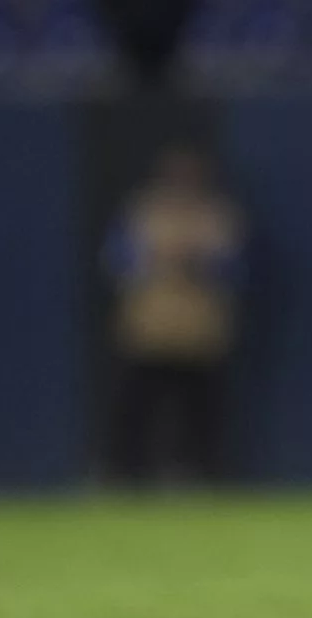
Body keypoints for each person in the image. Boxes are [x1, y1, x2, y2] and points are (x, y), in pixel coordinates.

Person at [104, 145, 246, 485]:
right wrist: (156, 260)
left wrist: (199, 261)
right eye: (175, 175)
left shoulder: (215, 215)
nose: (181, 183)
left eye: (189, 176)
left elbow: (236, 269)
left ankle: (201, 476)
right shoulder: (143, 211)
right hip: (150, 326)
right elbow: (116, 260)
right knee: (136, 406)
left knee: (201, 410)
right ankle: (123, 475)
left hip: (199, 329)